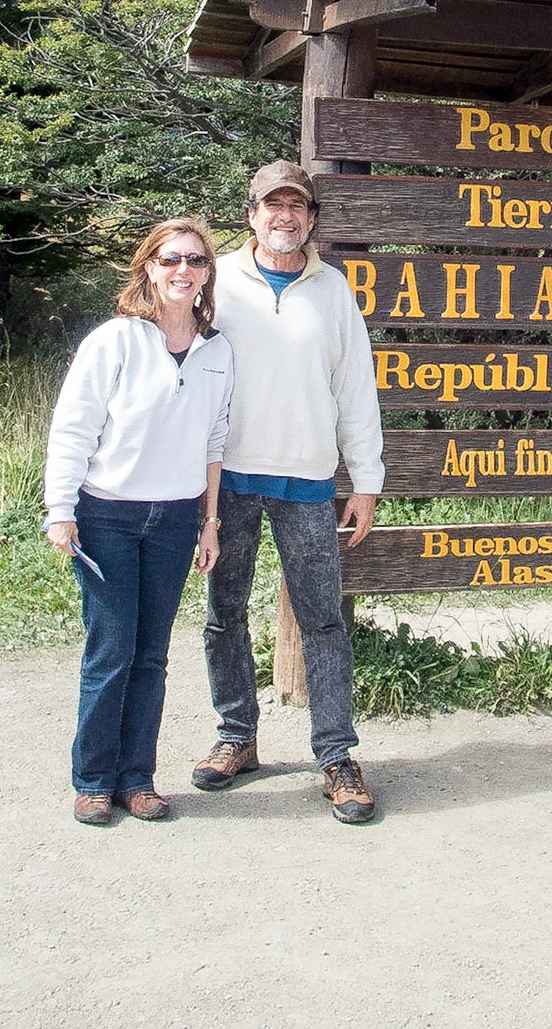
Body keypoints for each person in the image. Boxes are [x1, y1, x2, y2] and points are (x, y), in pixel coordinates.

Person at [193, 161, 385, 824]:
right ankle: (236, 736)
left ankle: (336, 756)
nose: (285, 216)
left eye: (297, 207)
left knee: (323, 621)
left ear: (311, 218)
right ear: (250, 213)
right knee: (225, 614)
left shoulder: (333, 292)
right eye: (272, 205)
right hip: (229, 481)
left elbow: (355, 389)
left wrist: (366, 481)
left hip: (306, 482)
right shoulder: (214, 280)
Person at [44, 218, 234, 826]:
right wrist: (61, 511)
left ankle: (137, 779)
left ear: (208, 274)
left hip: (177, 520)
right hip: (108, 517)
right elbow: (74, 428)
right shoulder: (115, 341)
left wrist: (210, 523)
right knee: (111, 648)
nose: (184, 271)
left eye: (197, 261)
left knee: (152, 654)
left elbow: (213, 441)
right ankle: (94, 780)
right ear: (149, 267)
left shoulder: (217, 349)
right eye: (172, 259)